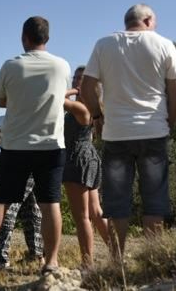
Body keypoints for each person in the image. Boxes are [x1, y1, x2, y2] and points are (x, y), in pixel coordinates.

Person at [0, 16, 70, 276]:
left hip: (16, 145)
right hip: (51, 145)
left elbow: (1, 101)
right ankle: (51, 263)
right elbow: (61, 97)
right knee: (50, 203)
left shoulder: (11, 65)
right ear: (48, 39)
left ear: (24, 37)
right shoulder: (61, 66)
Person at [80, 4, 176, 260]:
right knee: (154, 200)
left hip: (116, 132)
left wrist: (97, 117)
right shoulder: (164, 45)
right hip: (154, 130)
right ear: (148, 20)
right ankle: (152, 259)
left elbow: (86, 88)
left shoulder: (104, 44)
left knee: (117, 202)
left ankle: (117, 260)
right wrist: (170, 121)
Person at [63, 65, 109, 266]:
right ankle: (117, 253)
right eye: (75, 78)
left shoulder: (83, 108)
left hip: (77, 160)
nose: (75, 81)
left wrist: (74, 91)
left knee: (82, 217)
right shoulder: (93, 109)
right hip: (89, 158)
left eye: (81, 79)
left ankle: (87, 263)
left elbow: (55, 98)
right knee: (96, 212)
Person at [0, 175, 43, 270]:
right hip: (38, 165)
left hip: (21, 165)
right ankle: (36, 255)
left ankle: (1, 259)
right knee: (31, 207)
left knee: (9, 207)